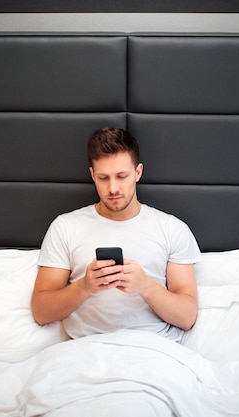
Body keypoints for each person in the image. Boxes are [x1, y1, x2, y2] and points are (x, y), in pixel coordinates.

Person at [31, 127, 201, 342]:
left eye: (122, 176)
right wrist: (84, 286)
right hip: (85, 349)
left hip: (152, 347)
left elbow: (187, 317)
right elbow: (41, 312)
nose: (113, 188)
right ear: (92, 175)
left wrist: (145, 286)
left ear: (138, 172)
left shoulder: (171, 228)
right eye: (103, 178)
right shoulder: (65, 227)